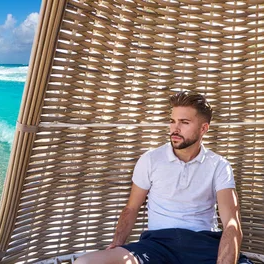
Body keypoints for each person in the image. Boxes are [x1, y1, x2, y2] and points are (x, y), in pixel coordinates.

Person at [74, 91, 250, 264]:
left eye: (184, 122)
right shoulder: (151, 159)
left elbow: (232, 224)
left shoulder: (219, 165)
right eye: (172, 121)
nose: (175, 128)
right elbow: (132, 208)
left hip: (203, 245)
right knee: (85, 262)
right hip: (157, 245)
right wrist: (118, 243)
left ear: (203, 128)